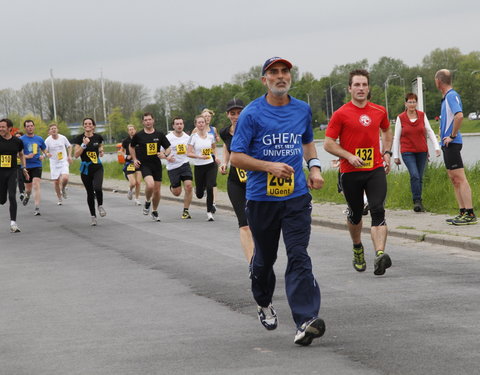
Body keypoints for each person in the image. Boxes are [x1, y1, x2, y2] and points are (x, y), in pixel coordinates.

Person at [230, 57, 325, 346]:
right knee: (265, 259)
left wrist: (315, 167)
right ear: (264, 80)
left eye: (285, 72)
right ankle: (263, 300)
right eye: (274, 73)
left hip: (296, 197)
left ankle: (305, 319)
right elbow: (236, 157)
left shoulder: (302, 109)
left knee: (298, 255)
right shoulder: (251, 114)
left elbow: (308, 141)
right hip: (262, 200)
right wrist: (269, 166)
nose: (280, 76)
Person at [324, 69, 393, 276]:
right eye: (357, 85)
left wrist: (387, 153)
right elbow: (328, 144)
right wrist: (348, 155)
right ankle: (357, 247)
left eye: (364, 85)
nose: (361, 88)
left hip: (375, 169)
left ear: (368, 87)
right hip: (350, 172)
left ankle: (380, 254)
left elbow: (387, 131)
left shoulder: (379, 111)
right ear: (350, 88)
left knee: (377, 209)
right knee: (355, 214)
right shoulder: (341, 114)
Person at [434, 69, 477, 225]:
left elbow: (459, 116)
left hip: (452, 143)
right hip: (446, 144)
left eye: (435, 80)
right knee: (454, 179)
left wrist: (452, 135)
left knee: (460, 177)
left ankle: (470, 213)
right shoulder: (445, 98)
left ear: (439, 81)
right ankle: (462, 211)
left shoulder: (452, 96)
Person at [392, 93, 441, 212]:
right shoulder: (401, 118)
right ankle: (417, 201)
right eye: (409, 102)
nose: (412, 104)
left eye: (414, 102)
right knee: (414, 175)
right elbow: (396, 137)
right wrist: (395, 155)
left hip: (422, 151)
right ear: (406, 104)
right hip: (407, 152)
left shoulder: (422, 116)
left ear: (416, 103)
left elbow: (429, 131)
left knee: (419, 177)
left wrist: (436, 147)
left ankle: (419, 202)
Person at [219, 98, 254, 263]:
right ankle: (252, 264)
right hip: (235, 181)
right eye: (233, 113)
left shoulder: (254, 129)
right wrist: (224, 162)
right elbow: (227, 146)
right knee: (244, 223)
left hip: (256, 181)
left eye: (240, 112)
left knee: (259, 224)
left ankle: (261, 257)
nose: (236, 116)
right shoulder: (225, 132)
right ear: (228, 115)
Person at [129, 112, 171, 222]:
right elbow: (131, 147)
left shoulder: (159, 134)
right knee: (150, 185)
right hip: (144, 164)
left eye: (149, 119)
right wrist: (134, 159)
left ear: (153, 120)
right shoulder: (138, 135)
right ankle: (147, 201)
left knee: (157, 191)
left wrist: (165, 155)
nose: (148, 122)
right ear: (143, 122)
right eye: (146, 120)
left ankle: (154, 211)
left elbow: (168, 148)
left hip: (156, 164)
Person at [72, 117, 106, 226]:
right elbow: (76, 155)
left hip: (97, 167)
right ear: (83, 126)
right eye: (85, 123)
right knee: (90, 193)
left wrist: (101, 150)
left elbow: (100, 144)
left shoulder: (97, 137)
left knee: (97, 187)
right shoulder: (79, 138)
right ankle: (93, 216)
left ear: (93, 126)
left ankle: (100, 205)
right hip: (86, 169)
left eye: (90, 123)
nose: (88, 125)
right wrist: (84, 144)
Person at [187, 115, 219, 221]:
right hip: (199, 166)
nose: (201, 124)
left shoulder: (210, 136)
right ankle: (199, 188)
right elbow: (188, 153)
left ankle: (209, 212)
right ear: (195, 124)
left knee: (210, 187)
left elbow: (213, 147)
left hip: (210, 165)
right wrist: (199, 156)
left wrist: (216, 157)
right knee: (200, 195)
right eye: (199, 122)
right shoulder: (193, 137)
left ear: (205, 123)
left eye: (203, 122)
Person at [0, 118, 29, 232]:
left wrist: (24, 168)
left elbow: (21, 155)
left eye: (3, 127)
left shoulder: (17, 141)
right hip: (0, 172)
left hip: (12, 171)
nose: (1, 129)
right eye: (0, 127)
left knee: (12, 196)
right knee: (2, 200)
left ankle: (13, 224)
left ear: (9, 128)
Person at [164, 117, 193, 219]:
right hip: (173, 167)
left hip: (185, 164)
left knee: (189, 186)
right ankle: (172, 187)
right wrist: (167, 157)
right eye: (177, 124)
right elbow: (159, 152)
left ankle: (186, 211)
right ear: (173, 126)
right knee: (177, 193)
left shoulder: (187, 137)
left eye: (181, 123)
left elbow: (191, 150)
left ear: (183, 125)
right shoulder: (168, 138)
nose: (179, 125)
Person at [20, 119, 47, 216]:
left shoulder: (39, 139)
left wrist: (43, 156)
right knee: (28, 188)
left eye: (31, 125)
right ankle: (27, 195)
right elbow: (18, 154)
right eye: (28, 126)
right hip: (26, 166)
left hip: (37, 165)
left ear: (34, 127)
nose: (30, 127)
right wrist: (27, 156)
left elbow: (45, 151)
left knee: (36, 184)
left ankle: (37, 207)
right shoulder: (21, 140)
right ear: (25, 128)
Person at [45, 123, 72, 205]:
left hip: (63, 161)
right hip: (54, 163)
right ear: (49, 131)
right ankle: (59, 198)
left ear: (57, 130)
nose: (53, 130)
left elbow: (69, 146)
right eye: (51, 129)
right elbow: (44, 150)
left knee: (65, 178)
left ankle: (63, 188)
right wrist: (46, 154)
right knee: (56, 182)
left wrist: (69, 156)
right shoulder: (47, 140)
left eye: (55, 128)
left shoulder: (63, 138)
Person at [121, 124, 142, 206]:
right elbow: (121, 150)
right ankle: (130, 190)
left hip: (139, 163)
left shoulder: (140, 139)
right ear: (128, 131)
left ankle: (137, 199)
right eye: (130, 129)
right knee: (133, 183)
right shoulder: (126, 141)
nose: (131, 131)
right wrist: (126, 156)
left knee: (138, 182)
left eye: (132, 129)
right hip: (129, 163)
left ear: (135, 130)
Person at [13, 131, 26, 201]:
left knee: (25, 178)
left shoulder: (24, 144)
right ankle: (21, 192)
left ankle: (24, 189)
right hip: (16, 164)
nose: (18, 138)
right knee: (19, 178)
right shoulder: (12, 144)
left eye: (19, 137)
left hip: (25, 164)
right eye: (16, 137)